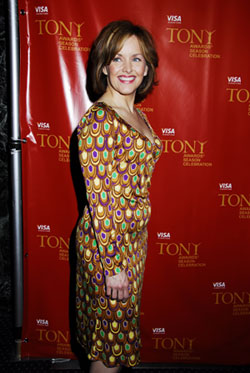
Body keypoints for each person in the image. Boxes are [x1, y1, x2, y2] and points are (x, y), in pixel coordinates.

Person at [75, 20, 162, 373]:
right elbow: (102, 203)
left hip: (131, 241)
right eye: (118, 58)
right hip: (107, 247)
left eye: (137, 59)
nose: (127, 68)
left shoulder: (135, 113)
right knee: (108, 346)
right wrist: (113, 268)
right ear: (104, 66)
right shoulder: (99, 121)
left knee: (117, 335)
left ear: (147, 67)